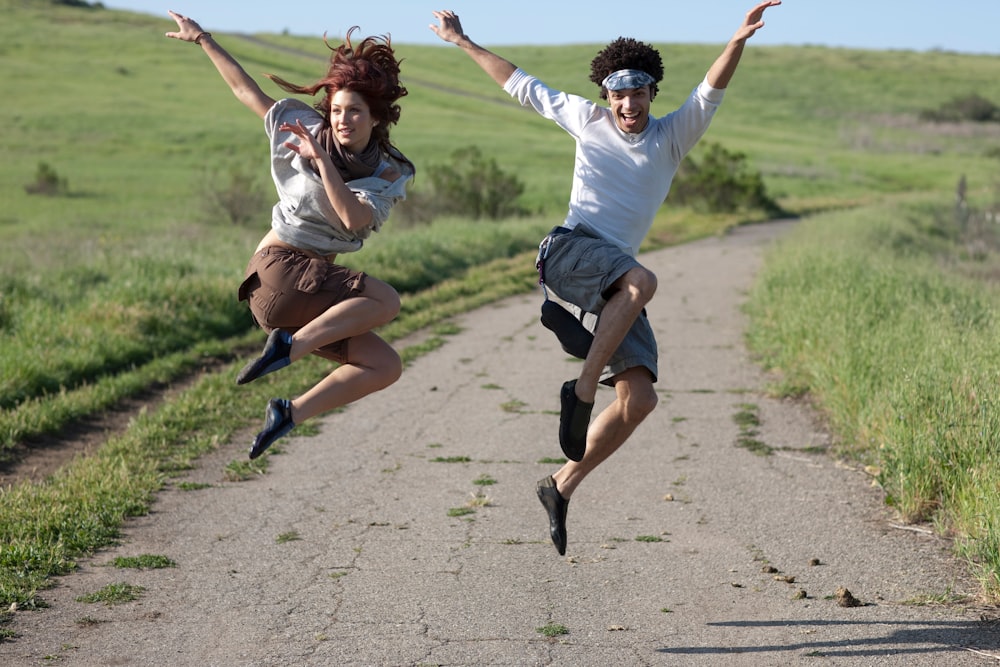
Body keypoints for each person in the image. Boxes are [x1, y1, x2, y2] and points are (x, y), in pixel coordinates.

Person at [430, 2, 780, 555]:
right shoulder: (585, 119)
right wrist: (462, 41)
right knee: (643, 282)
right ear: (606, 96)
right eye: (618, 93)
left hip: (613, 280)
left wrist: (737, 40)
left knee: (639, 400)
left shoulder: (672, 137)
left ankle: (559, 485)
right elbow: (521, 85)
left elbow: (711, 90)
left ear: (651, 95)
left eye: (637, 93)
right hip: (569, 251)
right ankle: (583, 387)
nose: (628, 103)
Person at [166, 11, 414, 460]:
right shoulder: (306, 130)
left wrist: (320, 160)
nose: (342, 120)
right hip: (277, 272)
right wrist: (203, 38)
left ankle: (288, 412)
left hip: (305, 294)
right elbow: (247, 92)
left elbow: (354, 217)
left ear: (375, 117)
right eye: (336, 109)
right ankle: (287, 347)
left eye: (354, 111)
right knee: (388, 302)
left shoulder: (388, 171)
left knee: (384, 365)